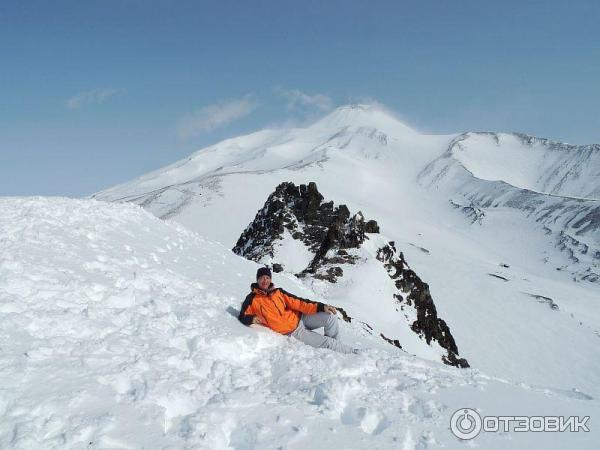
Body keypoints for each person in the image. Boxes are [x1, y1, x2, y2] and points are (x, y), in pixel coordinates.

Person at [239, 267, 357, 354]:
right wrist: (251, 318)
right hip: (293, 331)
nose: (264, 281)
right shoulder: (252, 299)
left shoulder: (278, 292)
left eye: (267, 278)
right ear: (257, 280)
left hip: (302, 318)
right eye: (261, 278)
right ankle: (353, 353)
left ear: (270, 279)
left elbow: (299, 302)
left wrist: (321, 307)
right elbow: (242, 316)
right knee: (327, 343)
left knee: (330, 317)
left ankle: (339, 351)